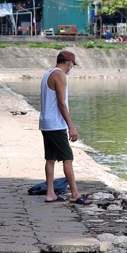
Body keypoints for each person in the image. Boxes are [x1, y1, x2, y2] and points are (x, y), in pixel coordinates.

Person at [39, 50, 84, 204]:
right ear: (69, 63)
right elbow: (61, 103)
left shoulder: (47, 74)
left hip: (46, 123)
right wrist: (71, 126)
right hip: (56, 124)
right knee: (68, 158)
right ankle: (75, 194)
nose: (72, 68)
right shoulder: (59, 75)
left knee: (50, 158)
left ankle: (50, 193)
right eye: (72, 65)